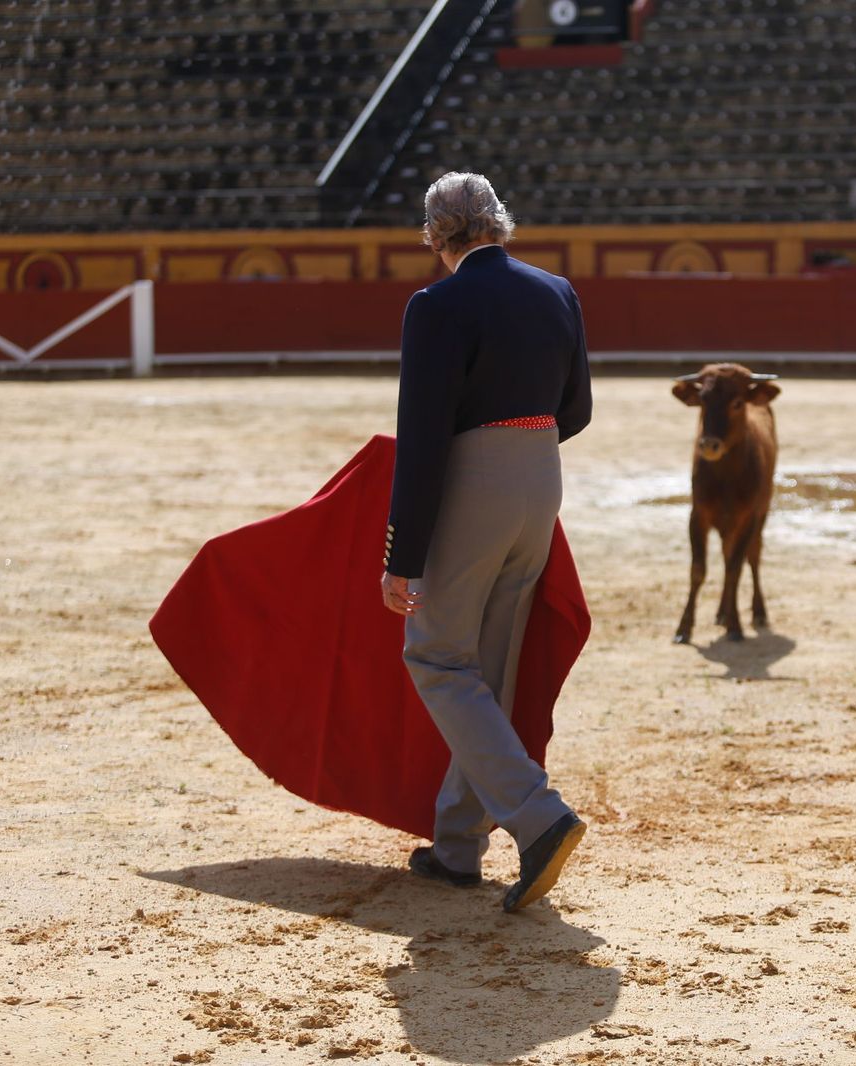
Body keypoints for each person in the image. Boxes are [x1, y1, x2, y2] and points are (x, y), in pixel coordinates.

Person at [381, 171, 593, 912]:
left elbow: (424, 436)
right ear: (499, 224)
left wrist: (401, 557)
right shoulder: (555, 291)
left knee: (437, 655)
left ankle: (538, 818)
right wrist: (525, 449)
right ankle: (457, 848)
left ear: (436, 239)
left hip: (477, 476)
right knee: (493, 668)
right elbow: (578, 409)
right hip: (544, 473)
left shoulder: (437, 305)